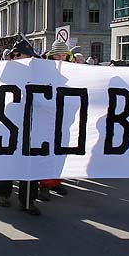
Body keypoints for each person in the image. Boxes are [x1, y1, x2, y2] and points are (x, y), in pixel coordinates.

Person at [0, 39, 42, 215]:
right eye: (13, 55)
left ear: (29, 56)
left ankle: (28, 200)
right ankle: (4, 194)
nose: (15, 57)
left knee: (29, 163)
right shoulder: (6, 72)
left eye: (19, 54)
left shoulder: (39, 74)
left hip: (30, 124)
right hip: (8, 123)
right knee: (6, 159)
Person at [36, 40, 72, 201]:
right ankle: (44, 184)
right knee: (47, 153)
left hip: (65, 119)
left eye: (63, 55)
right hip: (47, 119)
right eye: (57, 55)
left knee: (61, 153)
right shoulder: (44, 72)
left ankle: (56, 181)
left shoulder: (73, 70)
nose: (61, 58)